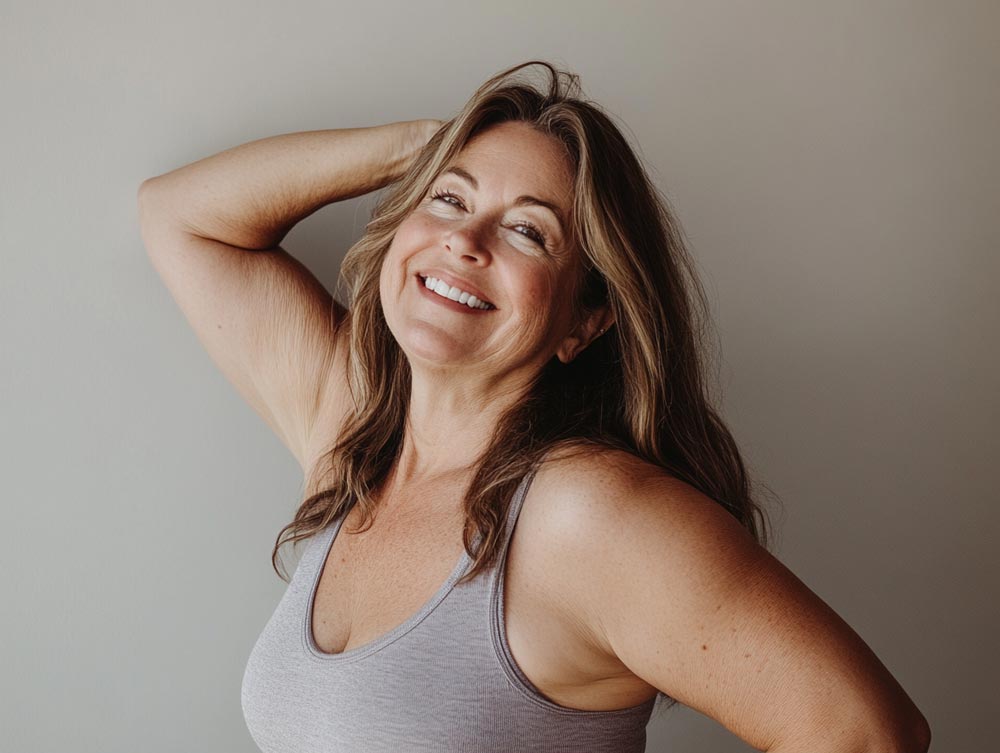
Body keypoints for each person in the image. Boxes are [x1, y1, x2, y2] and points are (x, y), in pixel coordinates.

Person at [137, 61, 930, 752]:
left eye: (527, 230)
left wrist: (449, 177)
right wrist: (421, 148)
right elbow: (179, 215)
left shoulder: (587, 515)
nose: (466, 240)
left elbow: (866, 732)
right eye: (449, 200)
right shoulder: (350, 438)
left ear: (584, 321)